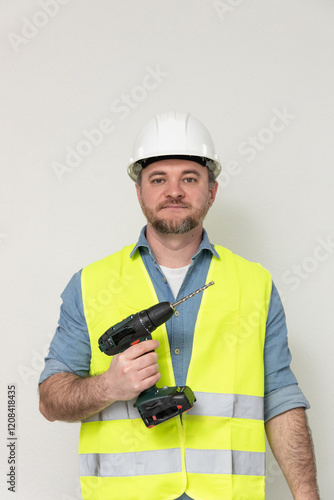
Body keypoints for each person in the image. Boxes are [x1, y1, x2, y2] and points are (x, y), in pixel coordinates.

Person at [39, 111, 320, 500]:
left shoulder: (255, 284)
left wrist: (308, 496)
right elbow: (51, 400)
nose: (174, 191)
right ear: (139, 192)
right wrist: (108, 385)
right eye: (158, 180)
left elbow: (281, 400)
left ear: (212, 191)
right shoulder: (90, 284)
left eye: (189, 178)